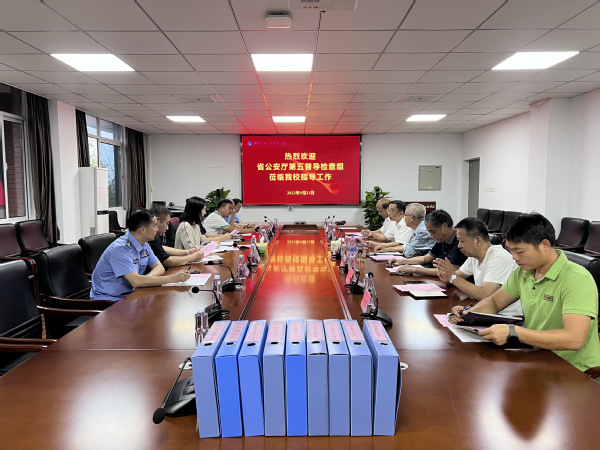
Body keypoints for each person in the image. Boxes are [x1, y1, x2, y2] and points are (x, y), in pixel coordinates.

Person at [449, 213, 600, 374]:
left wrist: (514, 332)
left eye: (519, 251)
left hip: (574, 369)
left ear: (545, 245)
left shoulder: (576, 279)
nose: (514, 257)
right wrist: (468, 315)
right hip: (537, 357)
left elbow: (574, 339)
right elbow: (494, 302)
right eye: (511, 251)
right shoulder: (523, 273)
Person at [91, 208, 190, 301]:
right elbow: (136, 282)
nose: (157, 229)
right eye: (154, 226)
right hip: (109, 300)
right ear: (142, 230)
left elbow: (159, 267)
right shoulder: (121, 249)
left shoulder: (143, 243)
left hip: (130, 294)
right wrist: (172, 279)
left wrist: (146, 280)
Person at [436, 217, 520, 316]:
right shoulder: (474, 257)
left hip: (507, 316)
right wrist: (447, 276)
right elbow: (456, 276)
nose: (459, 246)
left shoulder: (499, 258)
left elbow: (485, 294)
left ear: (477, 240)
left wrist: (452, 277)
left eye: (462, 241)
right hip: (485, 310)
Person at [388, 209, 467, 277]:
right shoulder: (442, 239)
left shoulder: (459, 242)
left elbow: (452, 271)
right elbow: (425, 258)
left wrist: (415, 269)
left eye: (433, 232)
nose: (432, 236)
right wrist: (399, 261)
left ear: (444, 226)